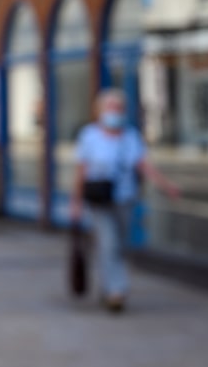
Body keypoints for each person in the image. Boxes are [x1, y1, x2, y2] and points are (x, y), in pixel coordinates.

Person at [70, 88, 179, 312]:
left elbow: (143, 165)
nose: (114, 112)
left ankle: (108, 286)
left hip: (124, 198)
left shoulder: (130, 137)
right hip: (99, 200)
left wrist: (166, 186)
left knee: (118, 245)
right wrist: (76, 202)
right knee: (108, 243)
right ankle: (116, 291)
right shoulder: (89, 136)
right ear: (99, 110)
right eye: (110, 107)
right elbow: (81, 171)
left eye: (118, 108)